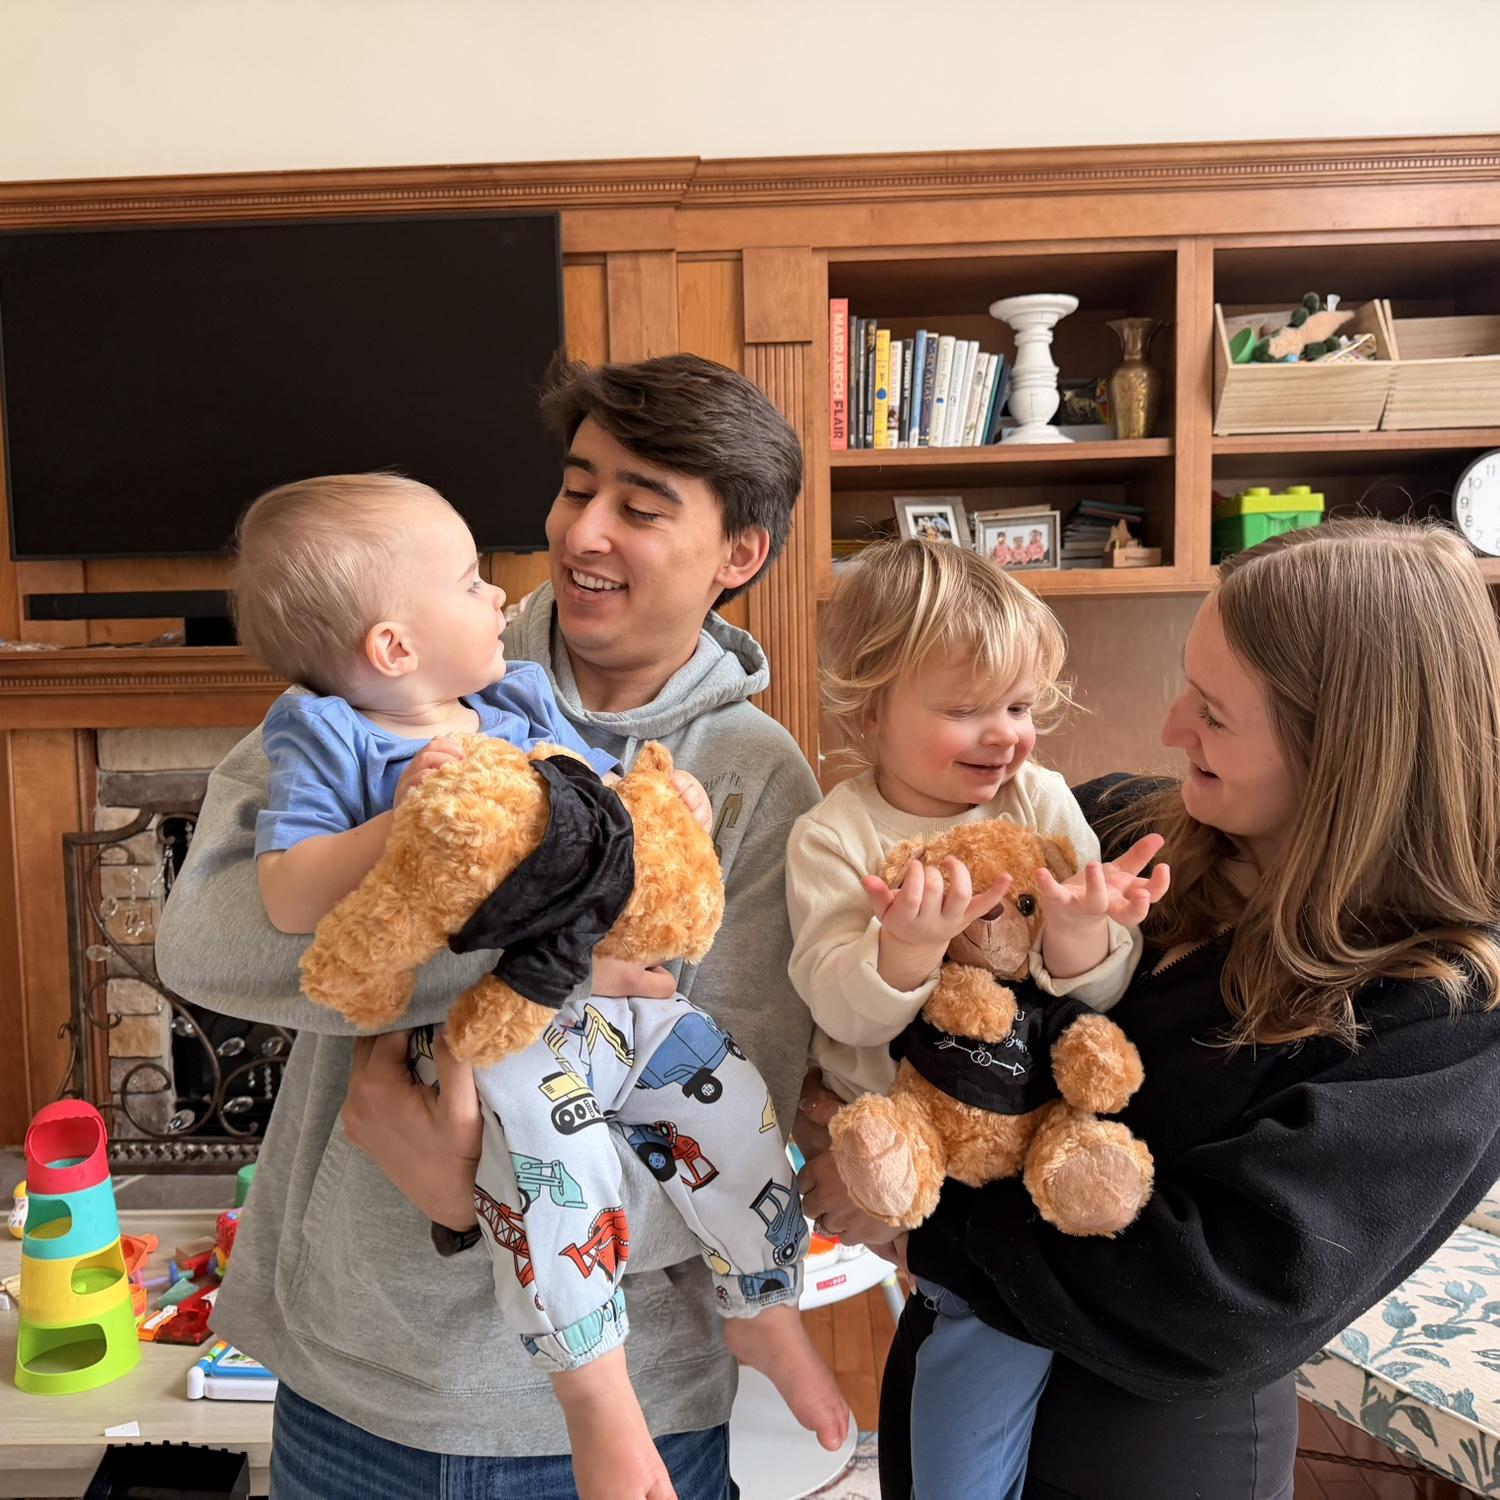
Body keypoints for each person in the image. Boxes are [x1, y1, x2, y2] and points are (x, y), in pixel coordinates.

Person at [154, 353, 828, 1500]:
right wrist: (565, 960)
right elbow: (207, 941)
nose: (584, 534)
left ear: (739, 556)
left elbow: (736, 1100)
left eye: (641, 507)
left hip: (638, 1420)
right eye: (577, 488)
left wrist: (480, 1192)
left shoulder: (758, 779)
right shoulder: (390, 669)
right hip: (359, 1385)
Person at [800, 517, 1500, 1500]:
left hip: (1145, 1452)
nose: (1173, 731)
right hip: (954, 1361)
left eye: (1213, 714)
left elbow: (1226, 1295)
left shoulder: (1443, 1016)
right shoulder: (1116, 830)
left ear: (1342, 749)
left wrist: (920, 1219)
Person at [784, 538, 1169, 1500]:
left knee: (1017, 1326)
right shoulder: (837, 834)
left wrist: (1081, 934)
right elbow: (834, 1003)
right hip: (916, 1145)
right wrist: (906, 950)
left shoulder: (1041, 800)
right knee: (973, 1328)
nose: (1005, 736)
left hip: (1032, 1118)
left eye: (1022, 707)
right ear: (870, 707)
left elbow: (1101, 994)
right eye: (965, 710)